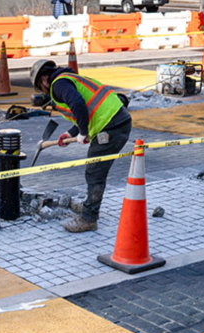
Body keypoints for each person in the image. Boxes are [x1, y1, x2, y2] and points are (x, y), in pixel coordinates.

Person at [30, 59, 131, 233]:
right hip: (115, 121)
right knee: (95, 170)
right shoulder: (67, 79)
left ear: (43, 79)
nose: (44, 91)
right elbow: (87, 109)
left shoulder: (58, 84)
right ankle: (88, 207)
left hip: (111, 126)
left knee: (95, 172)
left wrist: (83, 132)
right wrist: (71, 133)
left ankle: (89, 218)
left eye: (41, 87)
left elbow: (78, 104)